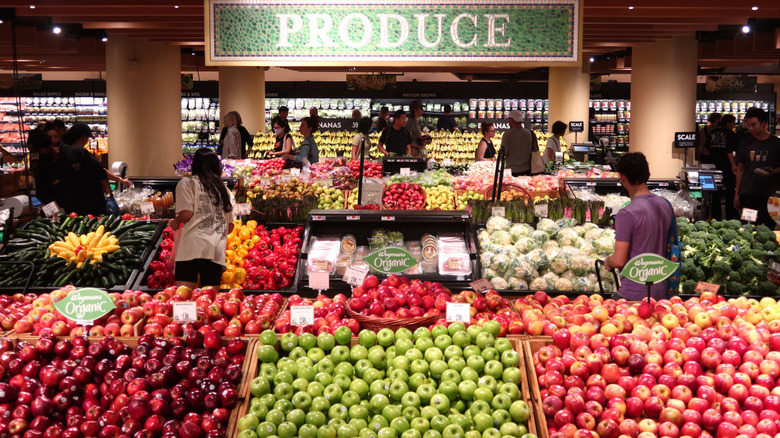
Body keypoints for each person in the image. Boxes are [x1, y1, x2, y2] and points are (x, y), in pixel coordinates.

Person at [604, 152, 675, 301]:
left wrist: (608, 261)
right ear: (648, 174)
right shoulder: (665, 205)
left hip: (633, 295)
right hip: (661, 291)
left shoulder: (627, 213)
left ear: (622, 178)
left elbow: (618, 261)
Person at [170, 148, 235, 289]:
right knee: (210, 301)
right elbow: (229, 227)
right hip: (216, 249)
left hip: (192, 247)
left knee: (184, 297)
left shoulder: (187, 183)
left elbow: (187, 213)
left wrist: (175, 222)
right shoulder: (225, 190)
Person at [29, 124, 113, 216]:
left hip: (96, 211)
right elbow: (45, 198)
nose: (41, 158)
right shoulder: (43, 170)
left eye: (43, 154)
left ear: (50, 147)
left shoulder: (76, 152)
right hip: (71, 218)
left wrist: (109, 197)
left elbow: (100, 173)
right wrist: (55, 216)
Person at [734, 107, 780, 229]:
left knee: (767, 230)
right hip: (748, 194)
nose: (750, 128)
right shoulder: (745, 143)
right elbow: (740, 169)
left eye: (754, 125)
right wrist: (737, 193)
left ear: (764, 124)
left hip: (770, 196)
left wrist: (774, 171)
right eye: (748, 125)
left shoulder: (776, 143)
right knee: (747, 228)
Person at [706, 114, 737, 220]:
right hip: (727, 166)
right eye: (733, 123)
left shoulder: (713, 132)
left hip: (714, 166)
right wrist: (734, 165)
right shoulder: (731, 134)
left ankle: (715, 217)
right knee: (730, 192)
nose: (734, 125)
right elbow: (730, 151)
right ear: (728, 123)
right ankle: (729, 216)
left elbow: (706, 148)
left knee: (715, 192)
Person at [501, 110, 536, 176]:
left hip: (512, 170)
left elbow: (504, 153)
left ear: (511, 120)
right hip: (527, 170)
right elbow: (535, 150)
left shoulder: (507, 134)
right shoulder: (530, 133)